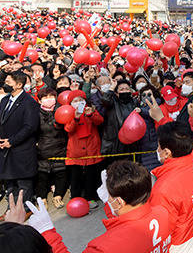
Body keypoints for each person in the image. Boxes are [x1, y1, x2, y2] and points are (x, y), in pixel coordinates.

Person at [6, 161, 173, 253]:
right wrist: (109, 205)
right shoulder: (163, 212)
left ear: (120, 201)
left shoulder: (104, 247)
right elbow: (130, 219)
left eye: (110, 196)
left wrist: (47, 231)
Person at [150, 121, 193, 253]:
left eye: (159, 146)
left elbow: (161, 233)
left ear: (167, 152)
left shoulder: (164, 189)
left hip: (182, 245)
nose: (157, 149)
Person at [0, 70, 40, 210]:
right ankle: (11, 209)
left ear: (18, 85)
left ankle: (24, 209)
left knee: (24, 184)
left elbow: (30, 127)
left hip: (21, 149)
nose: (5, 84)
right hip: (5, 150)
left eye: (8, 82)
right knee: (10, 184)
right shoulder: (5, 100)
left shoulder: (29, 102)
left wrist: (12, 141)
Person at [65, 90, 104, 210]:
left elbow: (100, 121)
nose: (78, 103)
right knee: (75, 176)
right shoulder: (68, 113)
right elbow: (68, 129)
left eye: (81, 100)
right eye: (75, 101)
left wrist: (91, 114)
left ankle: (90, 197)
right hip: (75, 150)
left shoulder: (91, 110)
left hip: (91, 148)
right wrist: (75, 118)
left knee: (90, 176)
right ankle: (75, 198)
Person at [35, 88, 68, 209]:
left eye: (51, 96)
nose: (48, 99)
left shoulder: (61, 110)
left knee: (61, 172)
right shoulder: (36, 114)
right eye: (45, 97)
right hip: (42, 148)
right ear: (39, 100)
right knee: (42, 175)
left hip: (60, 147)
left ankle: (58, 195)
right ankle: (42, 198)